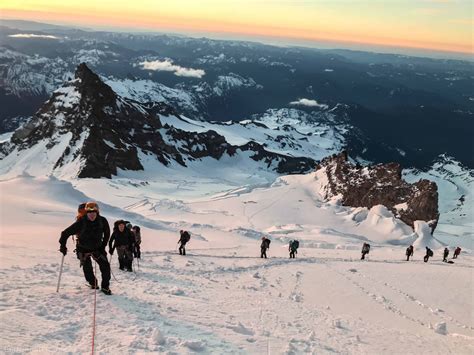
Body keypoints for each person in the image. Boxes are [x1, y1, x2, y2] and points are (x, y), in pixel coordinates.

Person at [59, 201, 112, 295]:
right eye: (89, 212)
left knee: (105, 267)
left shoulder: (102, 221)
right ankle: (93, 283)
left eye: (94, 212)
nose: (92, 215)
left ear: (97, 212)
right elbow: (65, 233)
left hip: (97, 249)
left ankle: (105, 287)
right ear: (86, 212)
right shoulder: (81, 222)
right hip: (83, 249)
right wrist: (63, 246)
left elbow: (107, 233)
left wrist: (103, 246)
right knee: (87, 268)